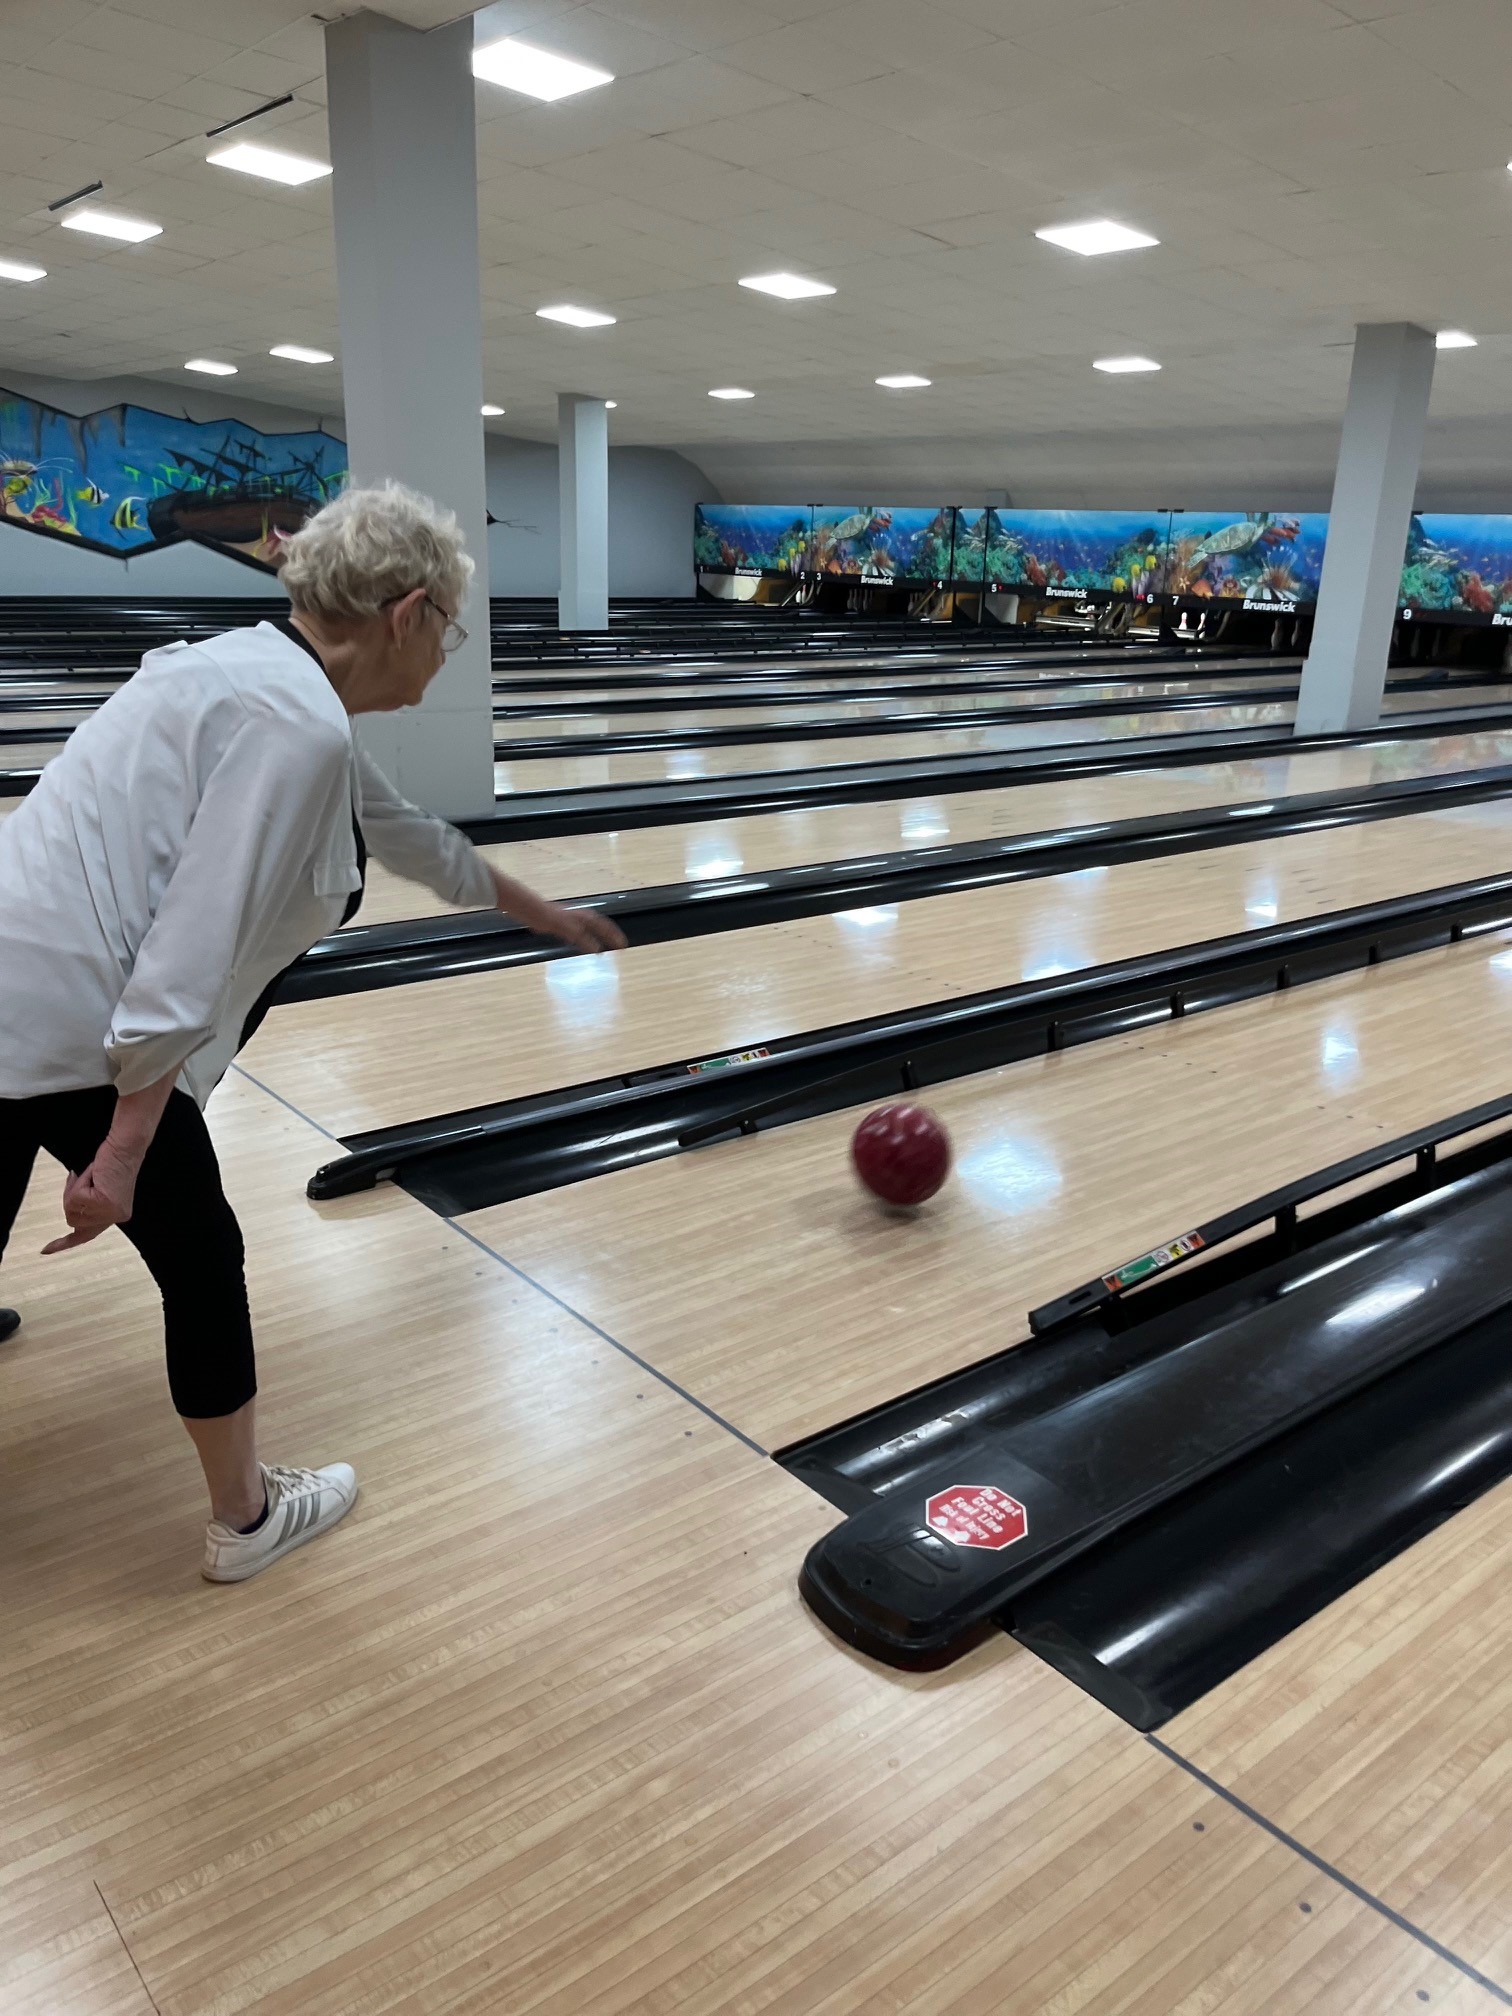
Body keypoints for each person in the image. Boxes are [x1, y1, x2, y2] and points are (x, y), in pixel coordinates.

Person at [0, 481, 625, 1581]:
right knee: (202, 1255)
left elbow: (403, 832)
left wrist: (538, 911)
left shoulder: (241, 667)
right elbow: (188, 953)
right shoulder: (296, 727)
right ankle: (245, 1521)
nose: (447, 654)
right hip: (74, 1021)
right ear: (409, 613)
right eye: (451, 629)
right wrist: (125, 1150)